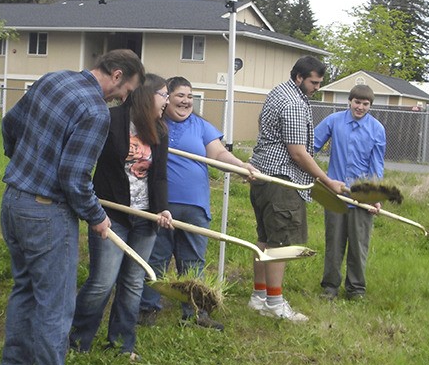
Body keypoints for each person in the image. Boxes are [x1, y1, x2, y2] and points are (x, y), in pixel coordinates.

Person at [0, 48, 144, 365]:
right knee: (56, 302)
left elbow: (9, 125)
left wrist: (26, 165)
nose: (125, 97)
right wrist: (96, 217)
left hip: (13, 200)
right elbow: (74, 178)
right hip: (47, 213)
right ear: (115, 75)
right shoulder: (96, 111)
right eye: (127, 89)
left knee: (25, 288)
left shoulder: (53, 79)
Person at [139, 76, 258, 330]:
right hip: (162, 206)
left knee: (193, 260)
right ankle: (147, 307)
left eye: (190, 96)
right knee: (157, 257)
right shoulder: (156, 124)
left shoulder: (201, 126)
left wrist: (240, 166)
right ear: (166, 98)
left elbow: (218, 153)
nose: (186, 101)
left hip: (195, 205)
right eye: (180, 95)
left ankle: (194, 314)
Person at [70, 74, 173, 361]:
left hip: (145, 218)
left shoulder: (160, 130)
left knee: (133, 282)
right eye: (163, 95)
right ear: (145, 95)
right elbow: (87, 162)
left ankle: (121, 345)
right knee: (102, 281)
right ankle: (78, 341)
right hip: (111, 215)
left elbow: (159, 175)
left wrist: (161, 208)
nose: (167, 101)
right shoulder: (110, 120)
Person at [248, 55, 346, 322]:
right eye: (313, 82)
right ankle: (274, 303)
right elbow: (298, 153)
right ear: (299, 77)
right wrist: (327, 182)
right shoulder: (292, 103)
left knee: (265, 240)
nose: (316, 87)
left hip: (262, 176)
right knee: (280, 246)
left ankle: (258, 297)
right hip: (280, 182)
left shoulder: (279, 92)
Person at [314, 84, 386, 300]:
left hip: (361, 197)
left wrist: (375, 196)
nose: (360, 107)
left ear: (370, 106)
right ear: (350, 101)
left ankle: (356, 289)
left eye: (365, 104)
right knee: (334, 243)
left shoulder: (377, 129)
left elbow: (377, 166)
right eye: (357, 102)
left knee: (358, 244)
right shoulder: (334, 121)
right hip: (335, 194)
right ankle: (330, 286)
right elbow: (311, 147)